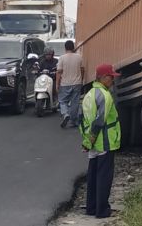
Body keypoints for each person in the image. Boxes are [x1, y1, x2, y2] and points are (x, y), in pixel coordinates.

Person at [79, 64, 122, 219]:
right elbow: (99, 121)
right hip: (104, 142)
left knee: (93, 176)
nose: (112, 80)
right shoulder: (105, 95)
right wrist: (90, 141)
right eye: (111, 77)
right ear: (103, 78)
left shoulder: (88, 94)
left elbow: (81, 120)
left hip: (93, 144)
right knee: (104, 177)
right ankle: (102, 211)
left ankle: (91, 208)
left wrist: (86, 141)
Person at [56, 40, 84, 128]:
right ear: (73, 47)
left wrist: (57, 84)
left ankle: (65, 114)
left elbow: (59, 72)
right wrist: (81, 79)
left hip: (65, 83)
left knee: (62, 101)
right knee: (75, 102)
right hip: (77, 83)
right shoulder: (79, 57)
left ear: (65, 48)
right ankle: (73, 121)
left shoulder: (62, 58)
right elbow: (82, 70)